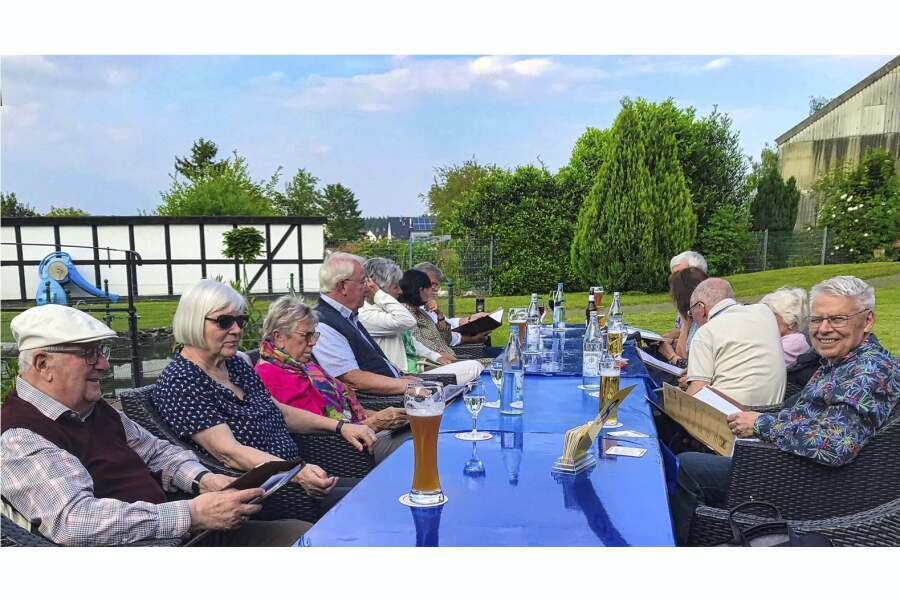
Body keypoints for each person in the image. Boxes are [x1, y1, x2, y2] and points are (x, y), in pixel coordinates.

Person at [2, 304, 308, 547]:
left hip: (181, 535)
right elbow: (76, 521)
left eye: (103, 352)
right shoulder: (21, 434)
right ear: (43, 364)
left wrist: (204, 479)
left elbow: (156, 452)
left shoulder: (89, 408)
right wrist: (192, 514)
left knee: (304, 536)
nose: (105, 365)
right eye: (89, 353)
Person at [671, 275, 900, 545]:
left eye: (837, 319)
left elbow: (836, 445)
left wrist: (761, 425)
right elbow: (808, 416)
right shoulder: (841, 361)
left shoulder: (868, 372)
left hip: (810, 486)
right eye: (816, 320)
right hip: (787, 462)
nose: (824, 329)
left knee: (684, 466)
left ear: (868, 321)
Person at [153, 280, 376, 513]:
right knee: (372, 503)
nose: (237, 329)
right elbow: (228, 452)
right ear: (193, 321)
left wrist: (341, 427)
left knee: (379, 493)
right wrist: (295, 472)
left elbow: (279, 410)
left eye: (240, 321)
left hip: (298, 476)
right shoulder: (182, 380)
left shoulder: (235, 364)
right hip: (267, 492)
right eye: (224, 322)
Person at [255, 295, 410, 463]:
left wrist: (385, 416)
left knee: (421, 431)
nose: (313, 342)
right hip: (341, 451)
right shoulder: (270, 375)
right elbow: (313, 431)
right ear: (279, 337)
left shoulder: (303, 366)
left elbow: (346, 410)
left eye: (314, 335)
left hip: (359, 436)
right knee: (420, 443)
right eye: (306, 335)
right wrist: (373, 423)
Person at [359, 257, 482, 384]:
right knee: (475, 367)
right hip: (401, 378)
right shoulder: (367, 315)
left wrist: (437, 357)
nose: (400, 291)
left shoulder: (389, 310)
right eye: (395, 287)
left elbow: (412, 341)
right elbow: (408, 321)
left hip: (415, 371)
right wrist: (379, 294)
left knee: (477, 368)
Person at [312, 252, 418, 395]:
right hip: (381, 404)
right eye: (363, 282)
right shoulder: (323, 323)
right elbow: (352, 379)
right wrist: (406, 385)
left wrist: (401, 377)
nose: (368, 288)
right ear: (342, 286)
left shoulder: (346, 316)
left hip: (392, 393)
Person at [683, 278, 786, 407]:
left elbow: (696, 394)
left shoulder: (705, 332)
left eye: (691, 313)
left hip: (728, 416)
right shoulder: (765, 312)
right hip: (772, 412)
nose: (694, 320)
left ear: (701, 307)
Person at [398, 269, 491, 373]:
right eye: (430, 287)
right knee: (494, 365)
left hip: (451, 361)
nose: (434, 290)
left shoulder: (421, 313)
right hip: (435, 365)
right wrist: (441, 355)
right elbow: (418, 343)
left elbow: (446, 339)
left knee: (496, 363)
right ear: (420, 290)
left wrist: (439, 315)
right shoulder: (405, 315)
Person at [413, 261, 503, 358]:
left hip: (459, 352)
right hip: (458, 353)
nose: (435, 289)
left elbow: (447, 325)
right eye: (432, 284)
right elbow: (443, 338)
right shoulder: (415, 311)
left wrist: (468, 319)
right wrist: (472, 339)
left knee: (508, 352)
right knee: (506, 355)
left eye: (436, 285)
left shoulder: (426, 306)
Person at [657, 267, 709, 365]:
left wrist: (671, 355)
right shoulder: (701, 314)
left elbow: (685, 361)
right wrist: (672, 342)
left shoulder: (701, 319)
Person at [760, 287, 811, 368]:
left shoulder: (794, 341)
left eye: (773, 315)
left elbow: (761, 362)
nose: (767, 319)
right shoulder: (783, 340)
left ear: (791, 321)